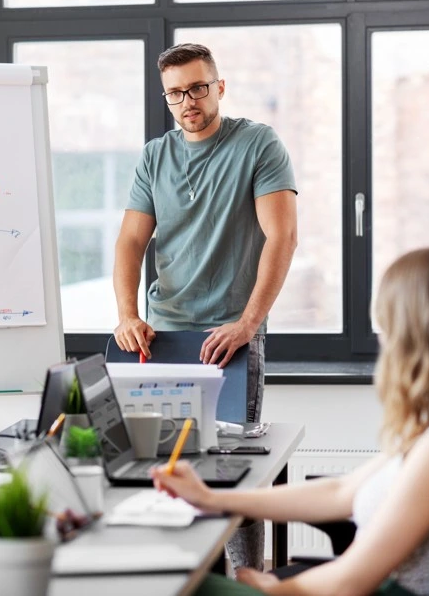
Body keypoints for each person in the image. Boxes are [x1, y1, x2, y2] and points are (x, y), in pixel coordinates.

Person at [153, 246, 429, 595]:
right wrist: (213, 498)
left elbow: (352, 581)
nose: (385, 339)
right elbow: (341, 492)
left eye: (388, 324)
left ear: (416, 333)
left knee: (173, 585)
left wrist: (273, 588)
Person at [113, 42, 298, 571]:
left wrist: (248, 323)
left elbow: (281, 237)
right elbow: (130, 242)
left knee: (234, 470)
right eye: (175, 93)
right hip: (165, 335)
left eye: (197, 88)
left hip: (232, 336)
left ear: (219, 86)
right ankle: (177, 576)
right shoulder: (154, 156)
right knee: (164, 466)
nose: (187, 101)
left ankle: (245, 580)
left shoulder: (258, 144)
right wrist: (128, 313)